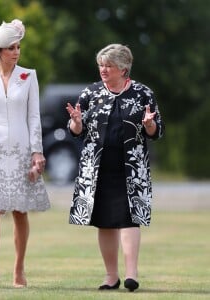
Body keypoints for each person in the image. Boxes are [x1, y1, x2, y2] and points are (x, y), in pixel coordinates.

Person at [66, 44, 164, 292]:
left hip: (130, 168)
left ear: (123, 68)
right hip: (98, 169)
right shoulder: (91, 93)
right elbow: (77, 131)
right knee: (105, 221)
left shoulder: (143, 94)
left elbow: (155, 132)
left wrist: (149, 124)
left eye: (108, 65)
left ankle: (131, 274)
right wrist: (76, 122)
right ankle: (111, 276)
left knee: (130, 218)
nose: (103, 69)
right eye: (101, 65)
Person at [0, 19, 50, 289]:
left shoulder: (29, 76)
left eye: (18, 47)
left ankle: (19, 268)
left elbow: (34, 116)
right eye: (11, 47)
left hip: (22, 149)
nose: (16, 52)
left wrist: (37, 151)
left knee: (19, 211)